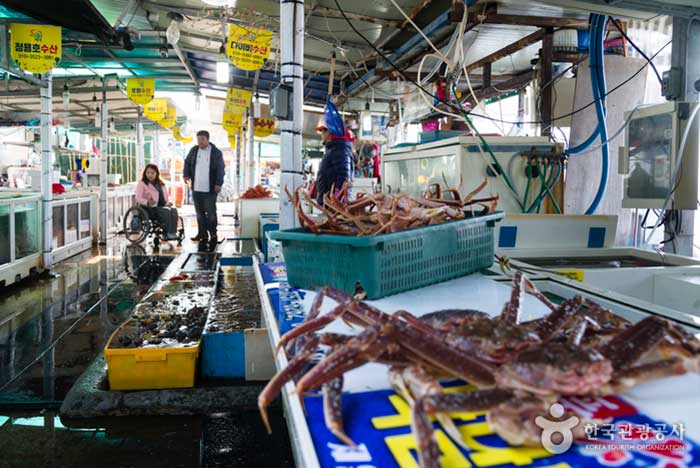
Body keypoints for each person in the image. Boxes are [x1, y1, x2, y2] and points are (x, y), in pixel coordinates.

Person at [183, 130, 225, 245]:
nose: (200, 142)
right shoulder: (194, 150)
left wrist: (218, 183)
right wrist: (186, 175)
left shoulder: (216, 153)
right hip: (196, 188)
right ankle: (202, 234)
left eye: (202, 139)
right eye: (198, 139)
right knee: (199, 213)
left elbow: (221, 169)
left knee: (211, 213)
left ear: (207, 139)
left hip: (210, 189)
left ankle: (213, 234)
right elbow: (186, 163)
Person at [135, 164, 179, 239]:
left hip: (161, 206)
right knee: (166, 211)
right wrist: (147, 202)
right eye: (148, 173)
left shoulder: (161, 184)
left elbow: (165, 197)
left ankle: (173, 232)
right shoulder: (142, 183)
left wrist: (168, 203)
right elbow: (138, 197)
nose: (150, 175)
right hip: (150, 208)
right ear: (145, 173)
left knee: (174, 210)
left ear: (157, 174)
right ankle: (167, 233)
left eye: (152, 173)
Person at [315, 124, 354, 205]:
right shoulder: (333, 150)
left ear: (329, 132)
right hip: (330, 203)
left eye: (323, 131)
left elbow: (344, 177)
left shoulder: (340, 150)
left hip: (335, 205)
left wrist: (337, 199)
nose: (322, 134)